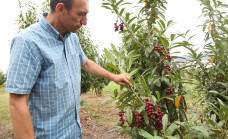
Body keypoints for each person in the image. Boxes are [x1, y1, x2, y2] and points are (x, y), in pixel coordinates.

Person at [5, 0, 133, 138]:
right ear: (60, 9)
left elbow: (85, 63)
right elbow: (17, 104)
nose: (85, 22)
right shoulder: (27, 42)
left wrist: (114, 77)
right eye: (80, 14)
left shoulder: (72, 38)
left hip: (73, 132)